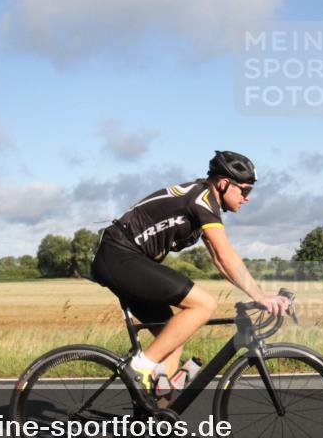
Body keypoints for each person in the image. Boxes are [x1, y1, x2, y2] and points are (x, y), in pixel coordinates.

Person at [90, 150, 290, 409]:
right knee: (204, 304)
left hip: (128, 260)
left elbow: (219, 262)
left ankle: (155, 424)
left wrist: (256, 293)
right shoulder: (202, 199)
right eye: (245, 190)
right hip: (120, 256)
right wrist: (261, 296)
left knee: (171, 344)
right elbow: (226, 254)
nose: (246, 198)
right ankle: (139, 368)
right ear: (223, 183)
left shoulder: (204, 203)